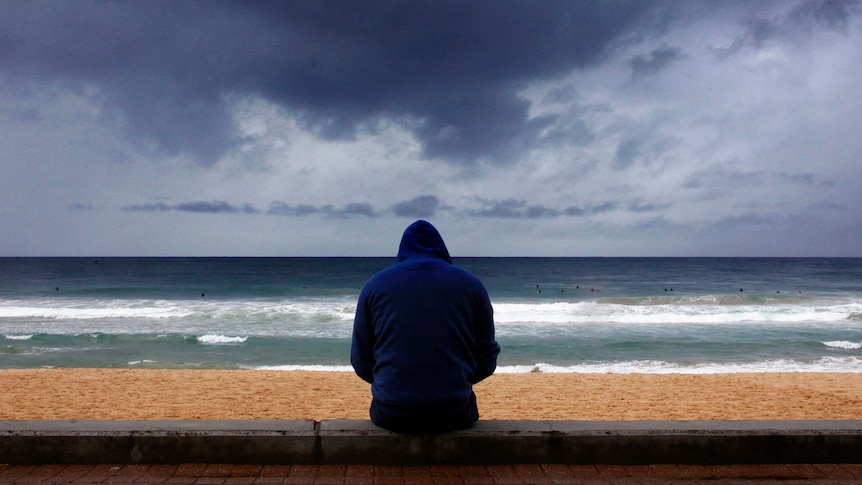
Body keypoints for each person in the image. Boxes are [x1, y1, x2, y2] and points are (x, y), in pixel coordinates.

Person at [351, 220, 500, 434]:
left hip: (391, 411)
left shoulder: (374, 285)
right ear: (442, 249)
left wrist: (391, 385)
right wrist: (458, 381)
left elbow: (360, 359)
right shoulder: (472, 284)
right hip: (454, 411)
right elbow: (486, 357)